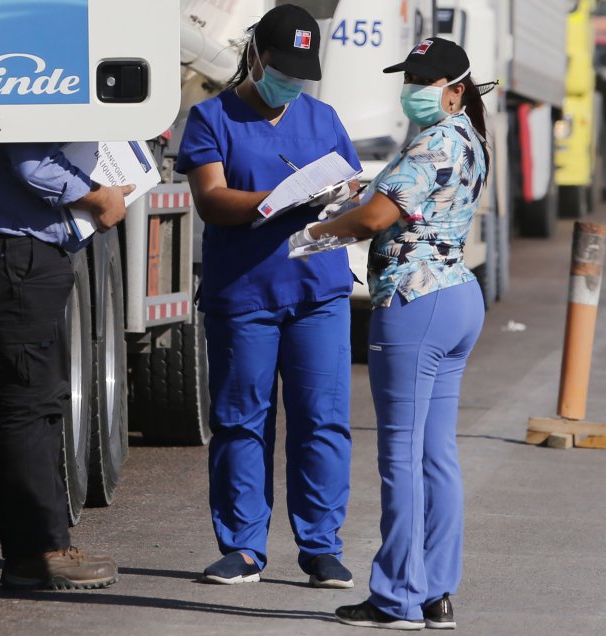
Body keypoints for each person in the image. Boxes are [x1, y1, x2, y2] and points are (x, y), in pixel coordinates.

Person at [291, 37, 492, 630]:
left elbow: (380, 218)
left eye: (426, 82)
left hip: (415, 301)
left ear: (456, 91)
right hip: (456, 296)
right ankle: (434, 593)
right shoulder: (467, 139)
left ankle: (396, 598)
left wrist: (317, 234)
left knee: (400, 457)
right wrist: (366, 192)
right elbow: (403, 199)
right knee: (436, 455)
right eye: (410, 79)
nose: (413, 91)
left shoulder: (433, 141)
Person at [174, 4, 361, 588]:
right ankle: (243, 547)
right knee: (240, 420)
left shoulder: (324, 118)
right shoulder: (211, 118)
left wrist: (341, 191)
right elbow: (210, 199)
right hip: (244, 296)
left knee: (323, 421)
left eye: (302, 74)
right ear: (256, 57)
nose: (292, 83)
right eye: (283, 69)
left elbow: (349, 185)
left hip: (318, 293)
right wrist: (272, 200)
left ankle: (321, 546)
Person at [0, 142, 132, 590]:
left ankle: (40, 548)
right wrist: (98, 196)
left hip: (8, 251)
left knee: (34, 406)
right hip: (15, 254)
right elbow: (33, 163)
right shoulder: (37, 85)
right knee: (31, 408)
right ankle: (38, 553)